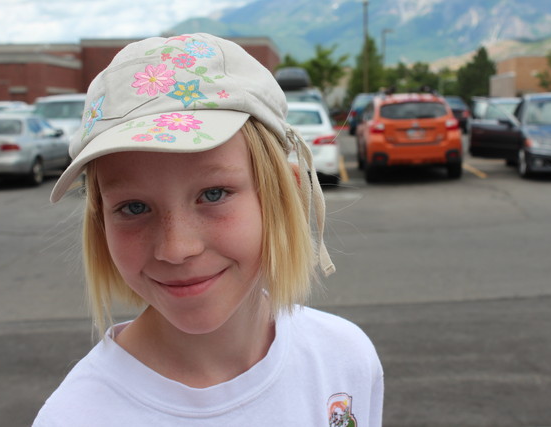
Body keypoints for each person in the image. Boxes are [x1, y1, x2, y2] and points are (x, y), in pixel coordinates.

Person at [33, 33, 383, 426]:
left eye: (214, 194)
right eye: (133, 207)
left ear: (289, 192)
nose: (176, 248)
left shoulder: (344, 360)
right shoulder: (76, 417)